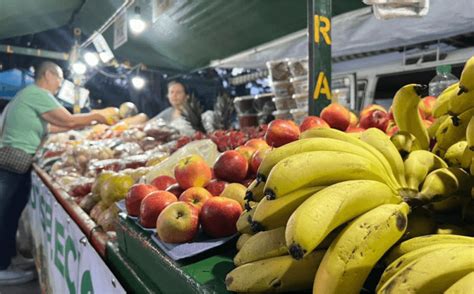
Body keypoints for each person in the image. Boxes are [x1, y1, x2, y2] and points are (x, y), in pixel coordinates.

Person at [0, 61, 108, 285]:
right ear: (47, 74)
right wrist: (97, 116)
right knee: (3, 213)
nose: (60, 83)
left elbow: (55, 126)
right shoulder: (38, 93)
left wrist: (81, 125)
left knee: (11, 212)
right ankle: (1, 267)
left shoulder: (30, 95)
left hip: (18, 163)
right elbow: (66, 119)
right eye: (59, 77)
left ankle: (9, 259)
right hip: (12, 163)